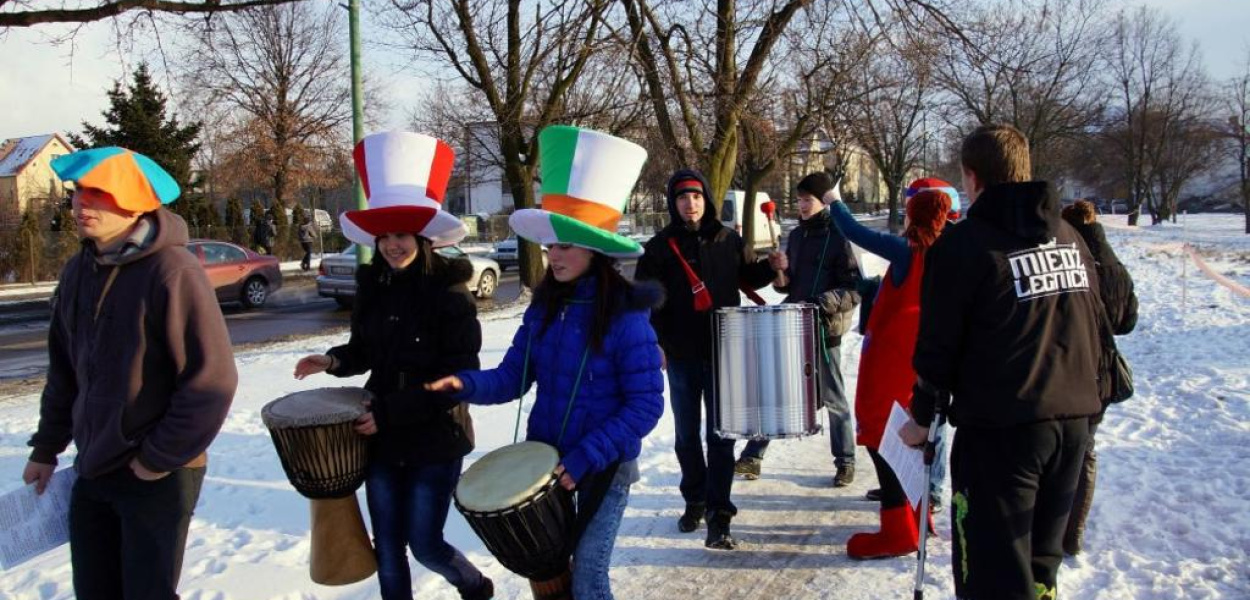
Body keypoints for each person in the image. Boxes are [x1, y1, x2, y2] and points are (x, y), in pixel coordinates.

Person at [426, 125, 664, 599]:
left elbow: (645, 407)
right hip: (546, 465)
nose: (553, 255)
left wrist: (586, 455)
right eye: (552, 244)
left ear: (595, 250)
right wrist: (464, 384)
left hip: (603, 466)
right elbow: (513, 377)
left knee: (590, 579)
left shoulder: (626, 316)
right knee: (552, 580)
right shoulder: (544, 308)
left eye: (566, 245)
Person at [23, 146, 238, 600]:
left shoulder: (174, 271)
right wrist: (46, 447)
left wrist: (155, 460)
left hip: (157, 473)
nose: (82, 204)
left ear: (134, 202)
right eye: (80, 192)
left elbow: (211, 382)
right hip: (93, 466)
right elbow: (65, 370)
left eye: (98, 194)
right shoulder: (78, 269)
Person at [900, 124, 1104, 600]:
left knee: (993, 575)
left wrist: (920, 416)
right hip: (1071, 420)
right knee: (1036, 567)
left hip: (1002, 430)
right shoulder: (1070, 235)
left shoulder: (964, 245)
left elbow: (938, 347)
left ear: (971, 178)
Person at [292, 131, 493, 600]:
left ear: (422, 238)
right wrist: (333, 359)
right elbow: (364, 350)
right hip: (380, 436)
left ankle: (474, 585)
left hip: (436, 438)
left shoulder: (450, 294)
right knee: (388, 548)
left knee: (424, 544)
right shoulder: (373, 288)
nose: (391, 245)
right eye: (384, 236)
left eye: (401, 234)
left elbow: (459, 377)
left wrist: (390, 412)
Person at [633, 169, 780, 549]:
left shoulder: (728, 239)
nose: (690, 203)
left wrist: (773, 265)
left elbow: (752, 275)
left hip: (724, 352)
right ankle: (694, 500)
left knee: (720, 435)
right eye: (682, 197)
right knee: (685, 437)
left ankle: (719, 516)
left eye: (696, 196)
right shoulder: (660, 246)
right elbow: (647, 302)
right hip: (680, 354)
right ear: (673, 203)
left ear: (706, 200)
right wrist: (655, 342)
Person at [818, 178, 953, 559]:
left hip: (892, 362)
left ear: (913, 217)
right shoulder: (950, 255)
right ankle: (918, 516)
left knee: (884, 440)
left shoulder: (909, 251)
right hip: (924, 365)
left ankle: (898, 531)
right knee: (914, 444)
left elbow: (856, 232)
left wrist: (834, 200)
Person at [734, 172, 860, 488]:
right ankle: (753, 455)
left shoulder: (840, 236)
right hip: (793, 325)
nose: (802, 205)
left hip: (824, 329)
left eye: (809, 200)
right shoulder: (797, 235)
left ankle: (845, 460)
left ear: (823, 202)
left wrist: (822, 302)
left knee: (833, 399)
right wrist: (781, 276)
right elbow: (788, 286)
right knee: (778, 392)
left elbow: (855, 289)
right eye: (800, 199)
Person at [1059, 199, 1138, 556]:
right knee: (1086, 450)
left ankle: (1054, 524)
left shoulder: (1071, 261)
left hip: (1072, 366)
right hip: (1102, 372)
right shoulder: (1116, 267)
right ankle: (1073, 530)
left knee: (1064, 449)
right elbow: (1128, 322)